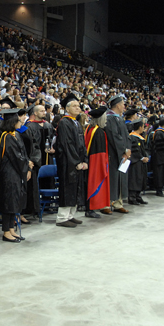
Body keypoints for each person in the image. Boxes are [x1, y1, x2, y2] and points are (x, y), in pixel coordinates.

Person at [0, 108, 30, 242]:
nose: (20, 122)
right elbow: (16, 157)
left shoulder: (16, 135)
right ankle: (6, 232)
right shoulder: (6, 136)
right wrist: (25, 167)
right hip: (9, 174)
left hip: (16, 173)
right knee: (9, 203)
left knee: (15, 202)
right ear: (12, 122)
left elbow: (23, 154)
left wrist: (27, 165)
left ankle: (12, 229)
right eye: (18, 120)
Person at [55, 94, 86, 228]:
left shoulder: (77, 123)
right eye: (74, 106)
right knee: (68, 188)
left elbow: (82, 144)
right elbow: (67, 145)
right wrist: (76, 162)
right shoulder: (64, 122)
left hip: (78, 161)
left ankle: (70, 215)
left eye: (79, 106)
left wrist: (84, 160)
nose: (78, 108)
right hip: (68, 163)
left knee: (76, 188)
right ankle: (62, 218)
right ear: (67, 109)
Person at [104, 96, 131, 214]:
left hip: (122, 155)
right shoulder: (109, 119)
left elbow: (126, 136)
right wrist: (123, 150)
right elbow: (114, 136)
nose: (124, 106)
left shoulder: (119, 119)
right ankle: (107, 203)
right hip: (113, 154)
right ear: (118, 105)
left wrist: (128, 150)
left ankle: (118, 203)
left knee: (120, 178)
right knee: (112, 179)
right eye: (123, 104)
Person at [84, 106, 110, 216]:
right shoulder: (98, 132)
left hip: (89, 161)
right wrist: (104, 164)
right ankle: (90, 208)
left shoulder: (89, 128)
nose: (106, 120)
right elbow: (99, 153)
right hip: (95, 162)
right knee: (94, 183)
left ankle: (90, 208)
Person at [127, 118, 149, 205]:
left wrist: (146, 156)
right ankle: (132, 197)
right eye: (143, 126)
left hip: (141, 162)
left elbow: (145, 149)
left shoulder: (140, 137)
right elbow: (134, 150)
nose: (144, 128)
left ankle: (138, 196)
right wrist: (141, 158)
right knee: (134, 179)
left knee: (140, 179)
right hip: (135, 163)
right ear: (140, 127)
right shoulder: (132, 137)